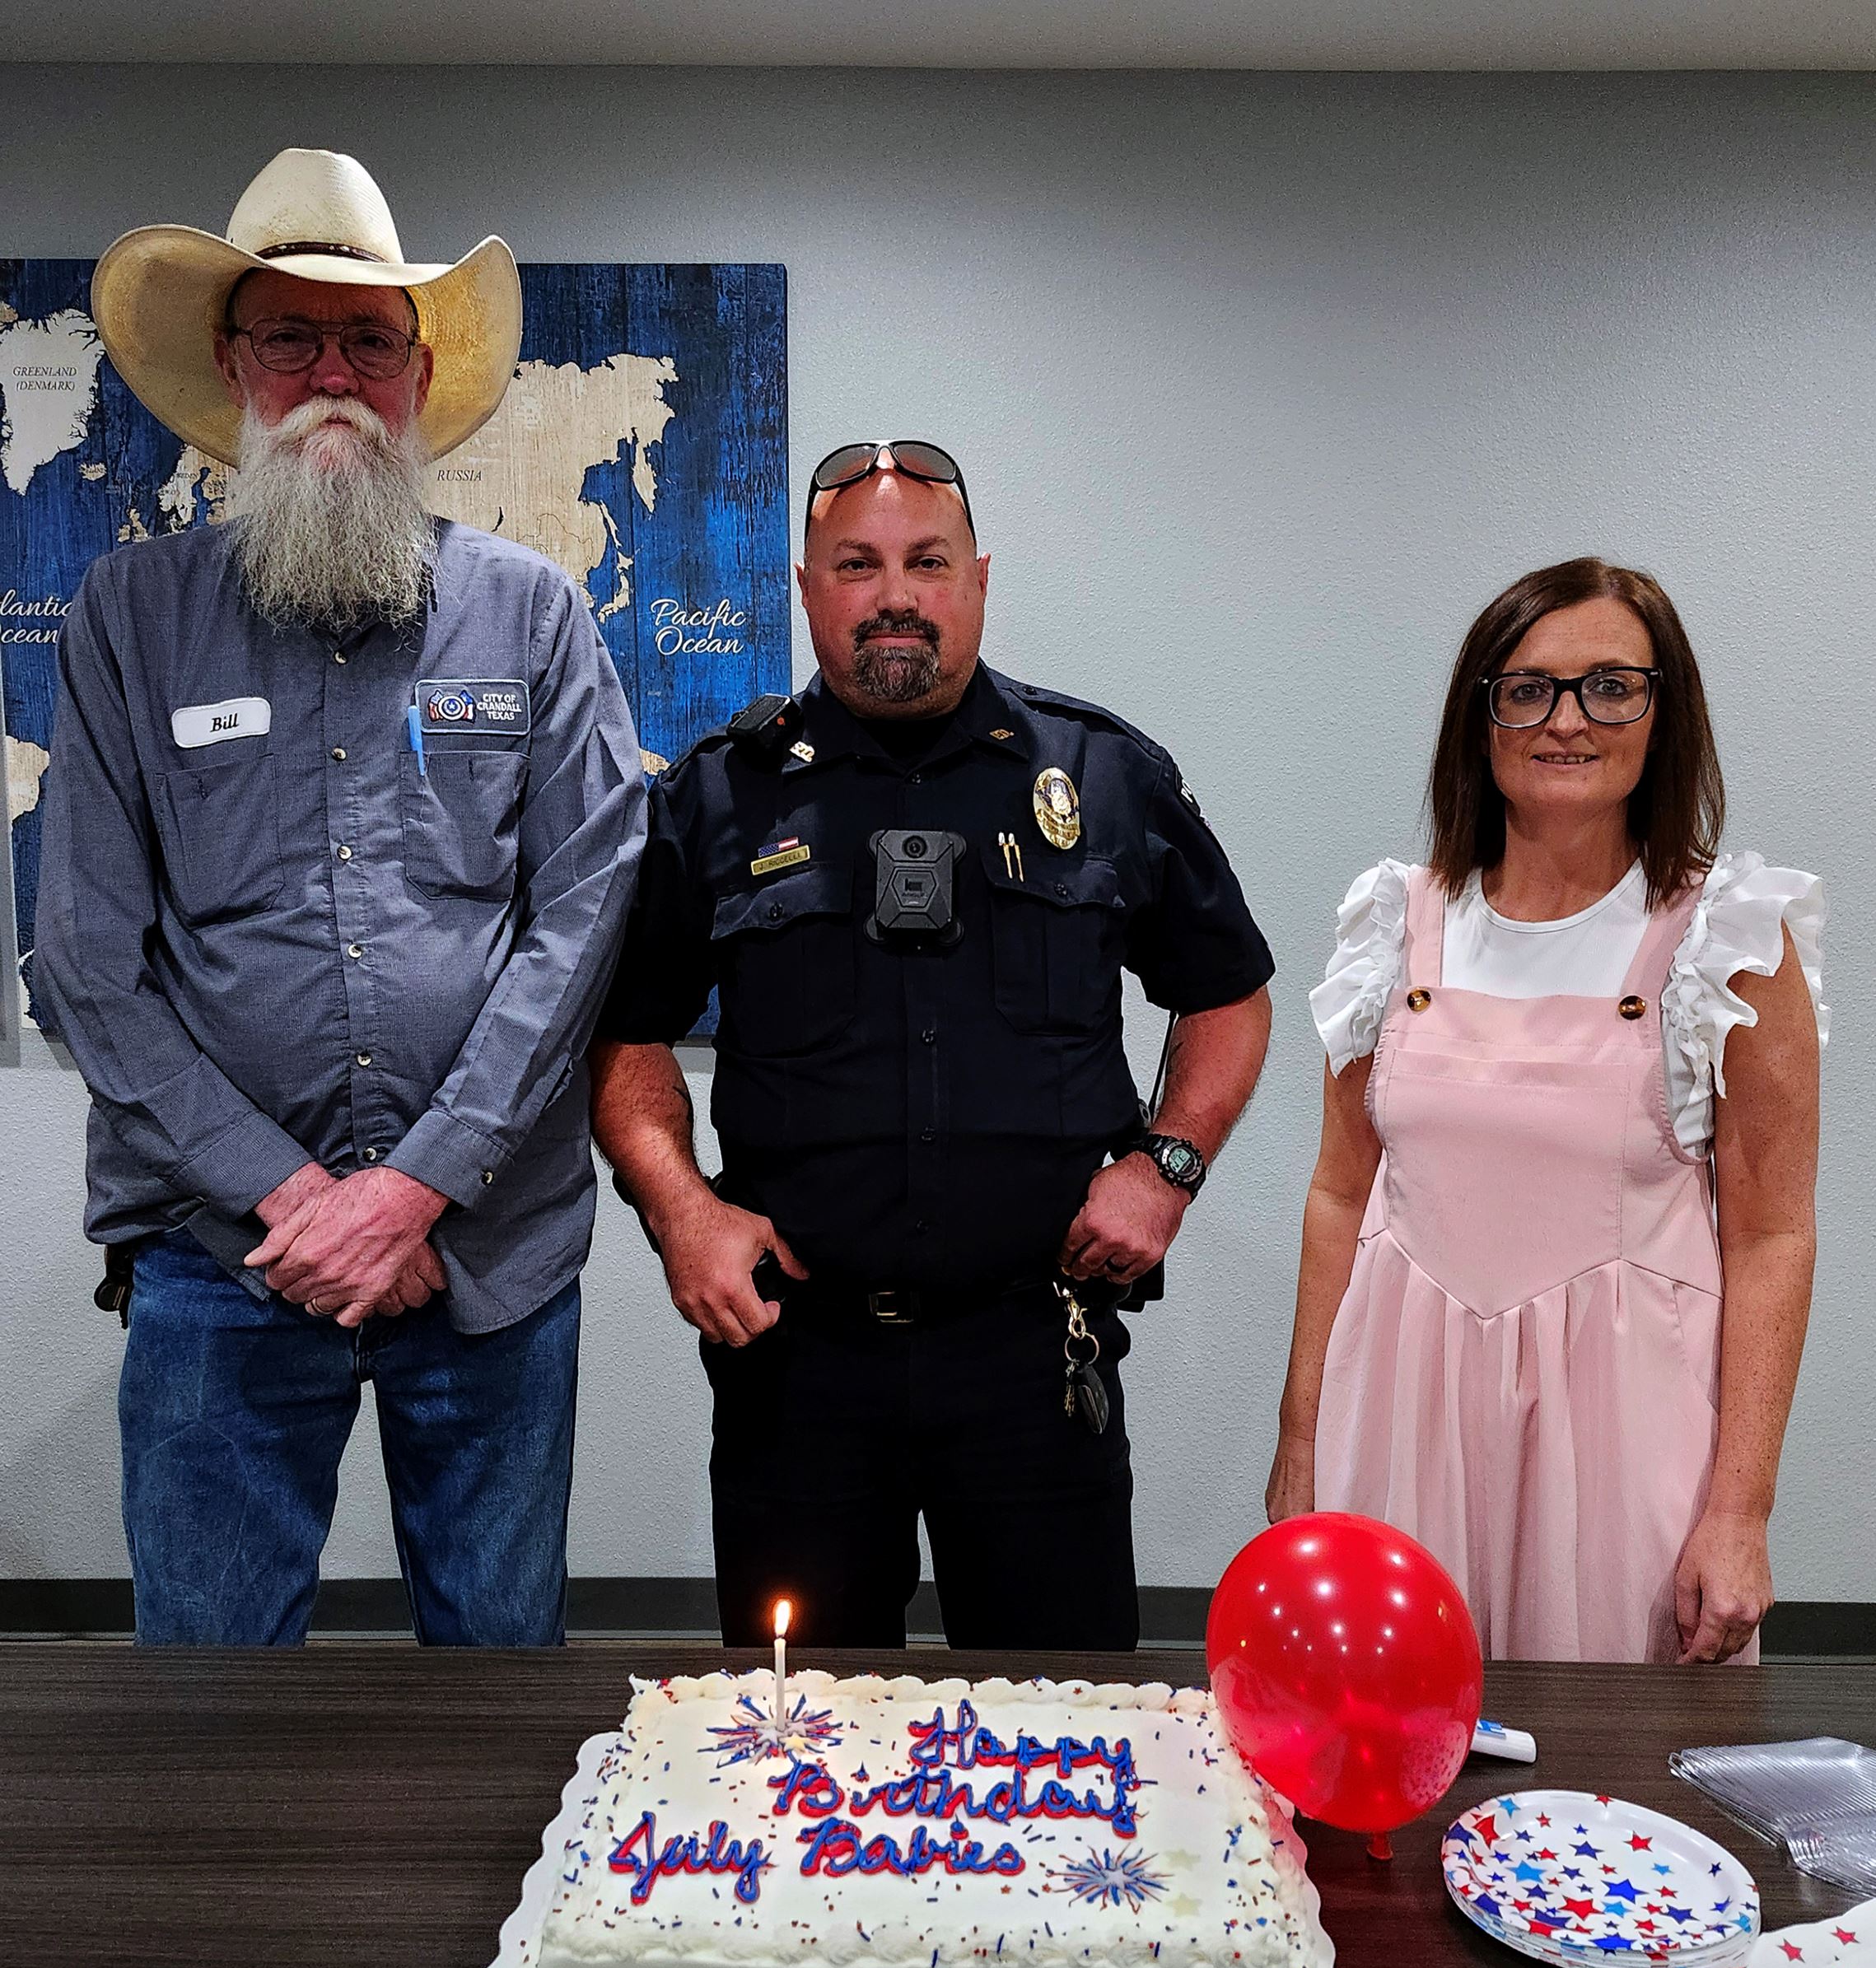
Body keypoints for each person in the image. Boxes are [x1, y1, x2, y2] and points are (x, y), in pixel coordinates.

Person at [35, 150, 645, 1645]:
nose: (330, 374)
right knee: (210, 1681)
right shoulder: (133, 617)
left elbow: (583, 912)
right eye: (291, 337)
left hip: (488, 1250)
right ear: (234, 366)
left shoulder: (534, 611)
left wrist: (416, 1185)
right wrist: (311, 1203)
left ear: (416, 371)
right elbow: (87, 958)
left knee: (503, 1676)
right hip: (220, 1252)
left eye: (368, 339)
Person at [592, 440, 1274, 1649]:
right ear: (807, 591)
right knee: (794, 1735)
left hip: (1032, 1357)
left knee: (1063, 1731)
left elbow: (1226, 994)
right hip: (795, 1360)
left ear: (978, 582)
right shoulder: (714, 795)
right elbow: (627, 1032)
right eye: (855, 565)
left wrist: (1165, 1167)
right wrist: (680, 1208)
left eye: (926, 561)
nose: (893, 593)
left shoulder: (1102, 776)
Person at [1271, 557, 1824, 1664]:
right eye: (1525, 688)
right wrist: (1300, 1448)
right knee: (1382, 1764)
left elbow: (1770, 1236)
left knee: (1609, 1788)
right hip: (1398, 1419)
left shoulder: (1726, 941)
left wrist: (1739, 1512)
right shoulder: (1396, 921)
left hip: (1622, 1437)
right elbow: (1339, 1194)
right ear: (1478, 720)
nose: (1565, 719)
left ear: (1661, 712)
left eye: (1609, 685)